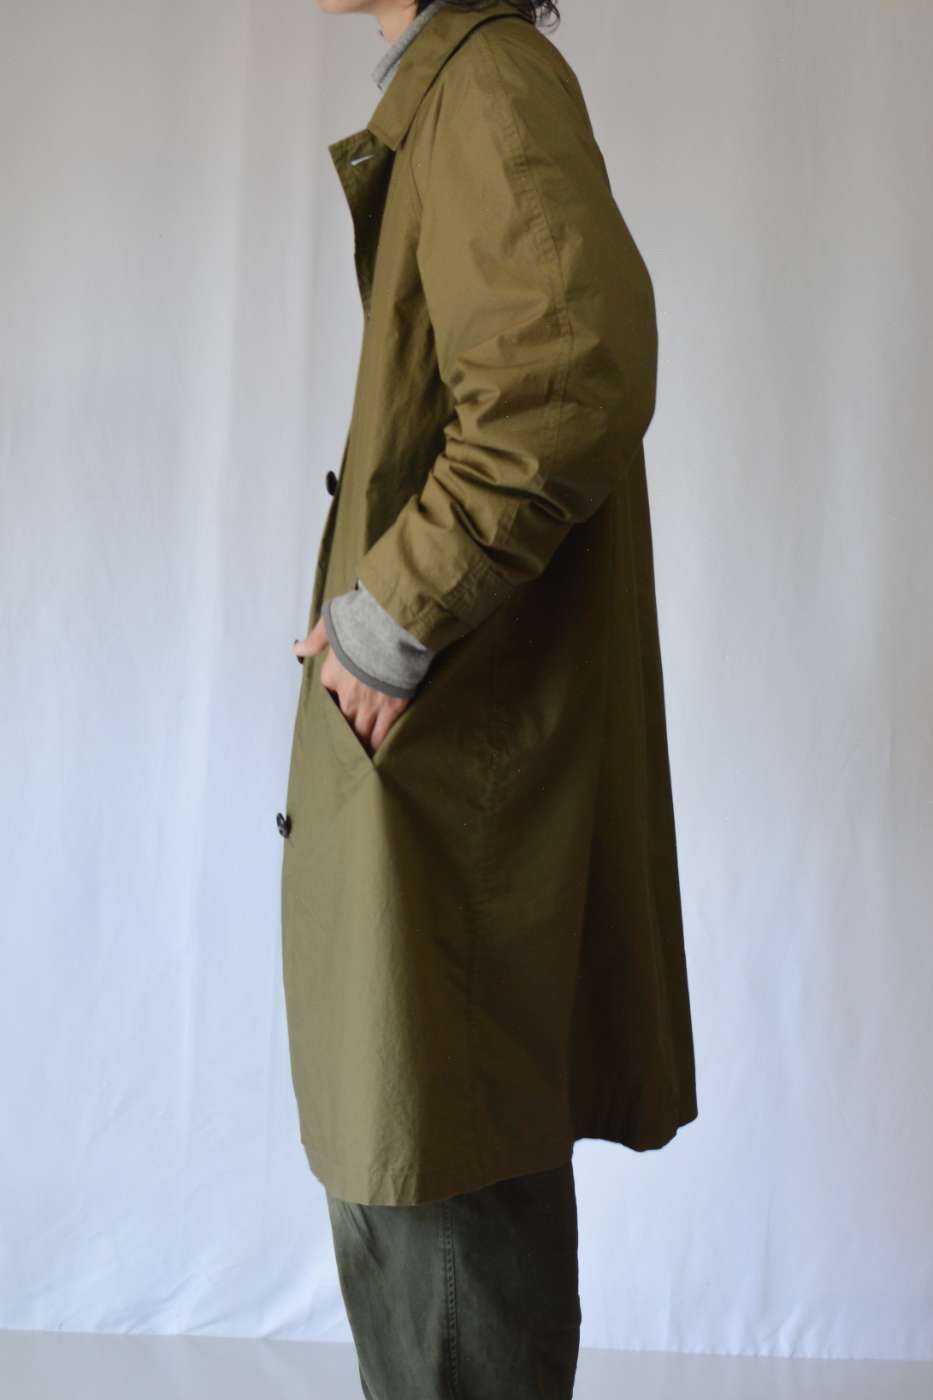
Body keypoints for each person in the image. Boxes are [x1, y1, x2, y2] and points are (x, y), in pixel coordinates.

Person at [281, 2, 699, 1395]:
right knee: (418, 1198)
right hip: (446, 782)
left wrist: (389, 620)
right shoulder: (453, 86)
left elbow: (564, 372)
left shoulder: (488, 81)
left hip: (455, 790)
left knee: (442, 1204)